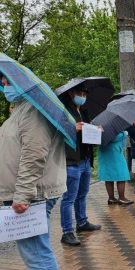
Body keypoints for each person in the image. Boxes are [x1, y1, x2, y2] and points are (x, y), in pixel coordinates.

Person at [0, 74, 65, 269]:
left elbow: (34, 155)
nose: (4, 85)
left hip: (32, 195)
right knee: (36, 254)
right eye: (2, 82)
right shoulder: (21, 110)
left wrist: (22, 195)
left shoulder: (33, 110)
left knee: (37, 256)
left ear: (22, 82)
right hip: (28, 194)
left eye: (7, 80)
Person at [59, 86, 101, 247]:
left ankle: (82, 222)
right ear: (71, 94)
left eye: (84, 94)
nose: (82, 97)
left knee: (82, 194)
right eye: (79, 94)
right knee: (69, 198)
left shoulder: (83, 111)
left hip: (85, 159)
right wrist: (72, 128)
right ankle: (67, 232)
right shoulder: (64, 111)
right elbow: (57, 132)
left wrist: (96, 129)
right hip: (71, 160)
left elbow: (88, 131)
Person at [98, 131, 133, 205]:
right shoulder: (114, 129)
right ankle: (122, 198)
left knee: (108, 176)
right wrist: (124, 134)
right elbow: (115, 137)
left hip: (105, 153)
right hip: (115, 153)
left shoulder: (100, 127)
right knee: (121, 175)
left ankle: (111, 198)